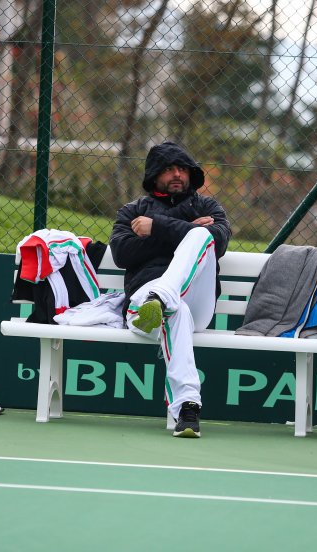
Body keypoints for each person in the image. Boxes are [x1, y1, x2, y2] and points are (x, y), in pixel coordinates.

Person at [110, 141, 231, 438]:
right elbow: (123, 253)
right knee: (176, 312)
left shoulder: (207, 207)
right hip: (144, 299)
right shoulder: (133, 210)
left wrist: (158, 227)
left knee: (203, 235)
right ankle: (188, 407)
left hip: (194, 297)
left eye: (182, 169)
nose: (177, 174)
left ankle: (162, 296)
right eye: (168, 169)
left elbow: (219, 241)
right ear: (154, 175)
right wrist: (185, 227)